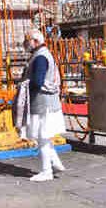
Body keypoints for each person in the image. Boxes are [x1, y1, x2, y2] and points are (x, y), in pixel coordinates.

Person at [22, 29, 66, 182]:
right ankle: (56, 163)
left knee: (42, 137)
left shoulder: (40, 57)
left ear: (35, 41)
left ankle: (47, 171)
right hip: (47, 102)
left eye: (27, 41)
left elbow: (38, 82)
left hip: (43, 103)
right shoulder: (43, 53)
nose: (25, 44)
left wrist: (24, 86)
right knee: (45, 137)